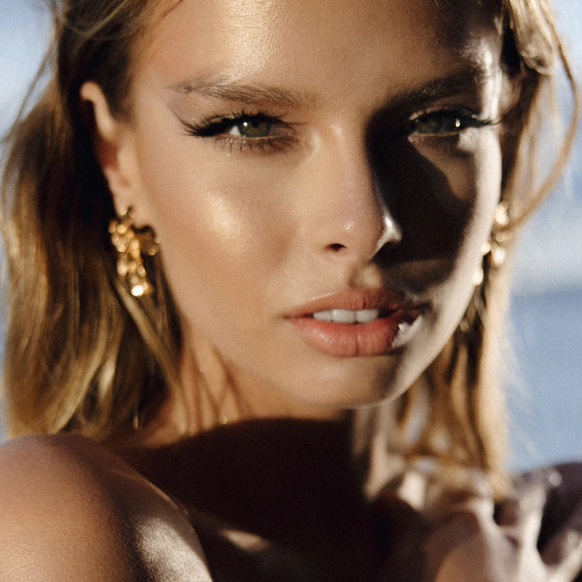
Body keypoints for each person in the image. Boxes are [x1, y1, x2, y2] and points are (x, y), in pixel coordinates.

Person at [0, 0, 580, 579]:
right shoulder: (52, 526)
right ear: (115, 154)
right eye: (250, 126)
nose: (365, 226)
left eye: (441, 120)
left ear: (506, 134)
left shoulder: (548, 538)